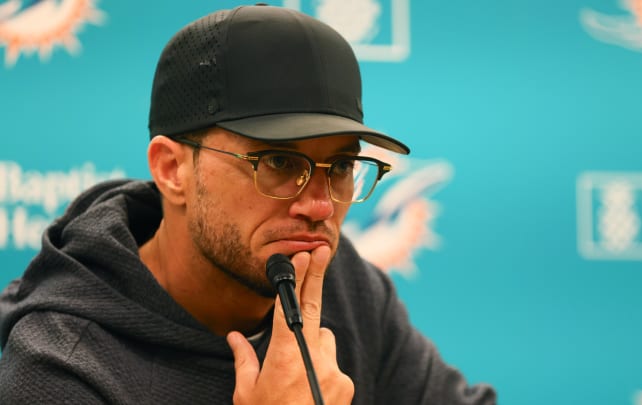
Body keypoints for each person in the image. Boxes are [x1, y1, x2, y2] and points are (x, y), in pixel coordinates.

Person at [0, 4, 496, 404]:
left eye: (340, 167)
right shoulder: (62, 369)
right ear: (173, 170)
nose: (320, 207)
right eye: (279, 162)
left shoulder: (338, 284)